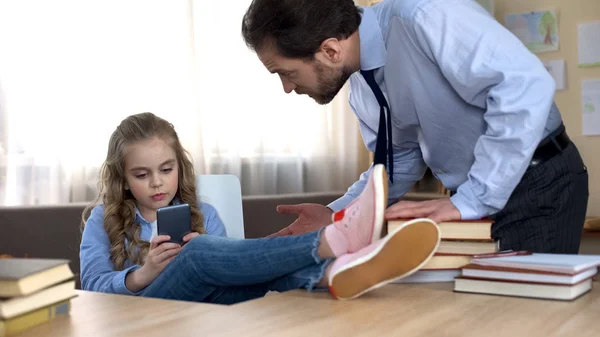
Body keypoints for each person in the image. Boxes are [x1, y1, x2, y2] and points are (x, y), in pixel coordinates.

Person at [241, 0, 589, 253]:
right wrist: (336, 214)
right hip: (472, 195)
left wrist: (472, 199)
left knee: (518, 320)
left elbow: (525, 86)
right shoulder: (361, 82)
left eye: (285, 73)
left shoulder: (427, 15)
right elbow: (401, 162)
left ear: (330, 50)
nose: (287, 88)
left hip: (537, 183)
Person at [79, 112, 440, 304]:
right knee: (201, 249)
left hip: (202, 307)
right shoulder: (103, 218)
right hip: (143, 315)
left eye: (166, 170)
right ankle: (331, 241)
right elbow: (92, 288)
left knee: (223, 261)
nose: (157, 182)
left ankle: (334, 273)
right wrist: (144, 274)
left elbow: (227, 274)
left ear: (180, 167)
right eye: (142, 174)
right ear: (124, 179)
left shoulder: (203, 212)